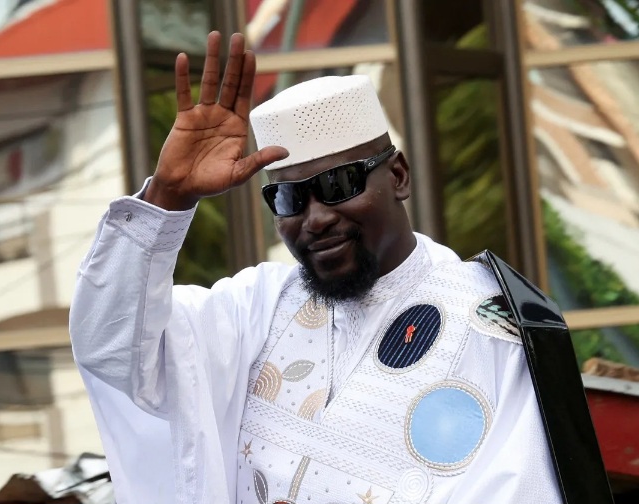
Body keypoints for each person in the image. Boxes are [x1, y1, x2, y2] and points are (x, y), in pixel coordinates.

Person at [70, 31, 563, 504]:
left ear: (398, 176)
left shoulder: (489, 327)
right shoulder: (257, 308)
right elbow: (112, 348)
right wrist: (167, 196)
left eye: (339, 185)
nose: (317, 218)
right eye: (289, 198)